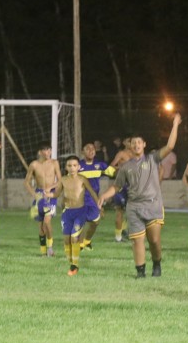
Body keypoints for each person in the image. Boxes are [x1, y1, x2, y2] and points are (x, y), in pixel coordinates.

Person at [98, 113, 182, 278]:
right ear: (129, 145)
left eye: (139, 142)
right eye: (133, 142)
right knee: (137, 240)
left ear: (144, 144)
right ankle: (140, 271)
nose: (136, 145)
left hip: (153, 205)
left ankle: (156, 262)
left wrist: (175, 124)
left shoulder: (152, 159)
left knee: (154, 240)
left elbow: (170, 146)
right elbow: (116, 186)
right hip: (134, 207)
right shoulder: (125, 167)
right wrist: (104, 196)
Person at [54, 155, 100, 276]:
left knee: (74, 237)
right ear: (66, 167)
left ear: (79, 167)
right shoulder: (63, 180)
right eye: (69, 165)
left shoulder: (82, 179)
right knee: (66, 240)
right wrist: (48, 194)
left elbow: (92, 192)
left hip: (80, 211)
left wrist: (99, 205)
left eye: (74, 165)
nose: (72, 168)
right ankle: (72, 262)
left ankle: (74, 265)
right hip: (67, 212)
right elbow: (56, 194)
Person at [24, 144, 62, 256]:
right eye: (45, 150)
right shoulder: (34, 165)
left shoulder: (55, 163)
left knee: (47, 221)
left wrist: (51, 188)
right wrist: (34, 194)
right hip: (39, 195)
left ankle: (50, 247)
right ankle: (43, 251)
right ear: (40, 152)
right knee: (41, 226)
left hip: (50, 195)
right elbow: (26, 182)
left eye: (49, 150)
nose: (48, 152)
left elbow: (60, 180)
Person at [78, 143, 109, 251]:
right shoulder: (77, 166)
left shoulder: (99, 165)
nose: (91, 151)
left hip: (93, 198)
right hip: (80, 198)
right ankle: (80, 244)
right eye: (88, 149)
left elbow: (114, 171)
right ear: (82, 151)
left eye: (93, 149)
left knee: (95, 221)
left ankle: (87, 241)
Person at [103, 136, 133, 241]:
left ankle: (124, 229)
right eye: (129, 141)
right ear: (124, 143)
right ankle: (118, 237)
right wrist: (120, 168)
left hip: (133, 186)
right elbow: (111, 167)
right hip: (121, 185)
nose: (132, 143)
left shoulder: (137, 154)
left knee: (133, 211)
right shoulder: (121, 154)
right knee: (119, 211)